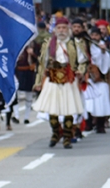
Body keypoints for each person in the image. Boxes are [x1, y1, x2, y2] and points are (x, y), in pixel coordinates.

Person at [33, 17, 86, 148]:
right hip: (53, 79)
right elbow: (42, 63)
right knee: (52, 109)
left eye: (64, 28)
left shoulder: (75, 44)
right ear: (55, 30)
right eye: (59, 28)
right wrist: (38, 81)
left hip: (69, 79)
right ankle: (56, 132)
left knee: (69, 109)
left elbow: (83, 61)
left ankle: (67, 137)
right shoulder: (48, 44)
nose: (61, 30)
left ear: (68, 29)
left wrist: (80, 71)